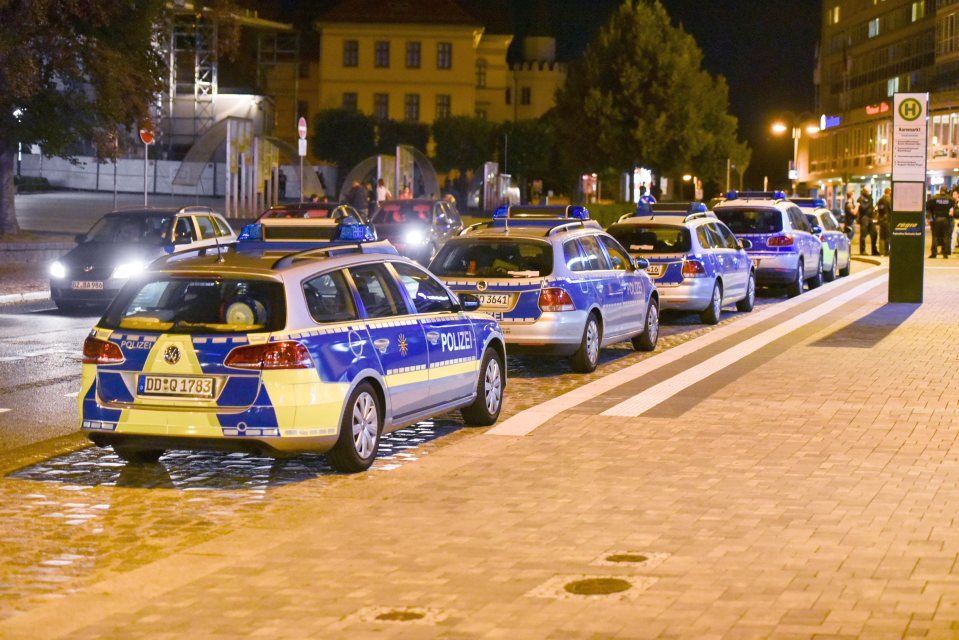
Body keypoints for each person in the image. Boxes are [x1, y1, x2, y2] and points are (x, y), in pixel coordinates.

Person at [926, 185, 953, 258]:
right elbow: (953, 209)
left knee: (935, 236)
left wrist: (929, 217)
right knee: (945, 236)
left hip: (936, 219)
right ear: (946, 190)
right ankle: (945, 253)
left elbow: (927, 208)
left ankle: (934, 253)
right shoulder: (950, 199)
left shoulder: (933, 199)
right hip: (946, 219)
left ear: (940, 190)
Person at [858, 186, 878, 256]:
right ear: (865, 191)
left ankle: (874, 250)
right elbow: (863, 207)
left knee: (874, 233)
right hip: (864, 218)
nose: (869, 193)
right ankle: (862, 250)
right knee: (863, 235)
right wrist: (870, 202)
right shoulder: (861, 198)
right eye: (868, 191)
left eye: (870, 191)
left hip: (870, 218)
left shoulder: (870, 198)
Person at [876, 186, 892, 256]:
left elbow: (879, 209)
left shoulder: (880, 200)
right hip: (887, 220)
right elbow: (891, 210)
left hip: (881, 219)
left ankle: (881, 251)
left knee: (882, 236)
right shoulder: (889, 200)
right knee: (888, 236)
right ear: (889, 192)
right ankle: (887, 251)